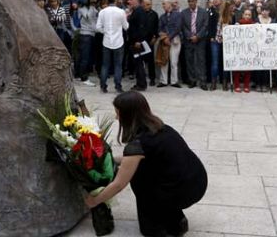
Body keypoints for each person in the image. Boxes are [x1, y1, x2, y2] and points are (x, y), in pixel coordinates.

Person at [85, 92, 207, 236]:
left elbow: (119, 184)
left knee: (139, 178)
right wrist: (108, 158)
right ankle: (176, 221)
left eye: (118, 114)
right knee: (145, 169)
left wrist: (95, 200)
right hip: (197, 182)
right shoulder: (160, 127)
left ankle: (155, 227)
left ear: (128, 115)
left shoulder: (137, 145)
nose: (117, 118)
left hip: (181, 192)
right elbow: (135, 159)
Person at [96, 0, 129, 93]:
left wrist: (105, 32)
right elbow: (126, 27)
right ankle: (118, 86)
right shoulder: (121, 12)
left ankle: (103, 86)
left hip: (106, 41)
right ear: (115, 0)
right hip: (118, 41)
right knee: (118, 65)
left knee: (105, 64)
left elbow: (98, 27)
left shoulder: (102, 12)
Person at [180, 0, 209, 90]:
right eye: (189, 1)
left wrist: (198, 36)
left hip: (200, 40)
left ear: (196, 1)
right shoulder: (183, 13)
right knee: (189, 61)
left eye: (193, 1)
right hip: (188, 41)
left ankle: (203, 81)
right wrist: (190, 36)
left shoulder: (203, 12)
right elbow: (183, 26)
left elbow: (205, 26)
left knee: (201, 61)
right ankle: (192, 80)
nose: (191, 3)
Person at [157, 0, 183, 88]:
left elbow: (178, 28)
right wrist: (164, 38)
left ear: (169, 4)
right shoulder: (162, 17)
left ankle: (174, 81)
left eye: (164, 4)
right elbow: (159, 28)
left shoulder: (178, 15)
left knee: (174, 61)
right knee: (164, 60)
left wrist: (169, 37)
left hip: (175, 40)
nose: (163, 6)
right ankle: (163, 81)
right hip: (164, 41)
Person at [127, 0, 150, 91]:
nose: (129, 1)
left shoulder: (139, 11)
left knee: (139, 63)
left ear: (137, 0)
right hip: (134, 42)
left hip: (137, 43)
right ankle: (140, 83)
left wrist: (138, 41)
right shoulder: (136, 11)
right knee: (137, 64)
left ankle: (141, 84)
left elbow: (142, 28)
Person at [78, 0, 98, 85]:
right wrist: (92, 6)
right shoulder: (82, 9)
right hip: (85, 35)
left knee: (89, 57)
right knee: (85, 57)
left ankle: (83, 75)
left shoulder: (93, 8)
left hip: (92, 34)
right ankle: (83, 78)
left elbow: (95, 20)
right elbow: (89, 17)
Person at [214, 0, 234, 91]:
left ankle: (225, 82)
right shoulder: (218, 16)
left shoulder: (232, 17)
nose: (232, 8)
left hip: (228, 43)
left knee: (226, 62)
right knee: (217, 62)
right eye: (231, 7)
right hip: (218, 41)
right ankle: (216, 81)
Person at [233, 9, 254, 93]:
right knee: (237, 67)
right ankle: (237, 85)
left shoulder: (253, 24)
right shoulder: (239, 23)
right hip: (239, 49)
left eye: (249, 15)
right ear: (243, 15)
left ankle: (246, 85)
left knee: (248, 68)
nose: (247, 16)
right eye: (246, 14)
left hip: (249, 49)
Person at [207, 0, 223, 90]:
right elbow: (208, 25)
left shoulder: (225, 10)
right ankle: (213, 82)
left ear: (221, 0)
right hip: (214, 39)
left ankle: (224, 81)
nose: (216, 0)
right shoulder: (210, 11)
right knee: (215, 61)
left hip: (225, 39)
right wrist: (211, 36)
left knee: (224, 61)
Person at [143, 0, 159, 87]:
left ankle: (152, 78)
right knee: (141, 61)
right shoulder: (140, 13)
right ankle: (141, 78)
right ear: (143, 4)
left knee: (150, 60)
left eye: (150, 4)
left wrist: (155, 37)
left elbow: (156, 27)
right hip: (141, 40)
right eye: (147, 4)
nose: (149, 6)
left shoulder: (154, 14)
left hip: (150, 40)